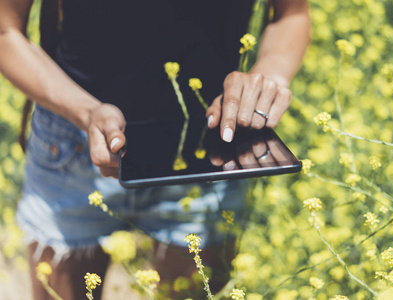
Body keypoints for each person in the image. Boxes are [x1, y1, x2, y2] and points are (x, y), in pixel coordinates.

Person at [0, 0, 311, 299]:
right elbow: (6, 31)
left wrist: (267, 80)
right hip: (74, 142)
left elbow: (291, 14)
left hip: (212, 153)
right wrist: (86, 112)